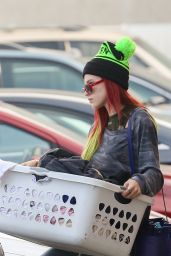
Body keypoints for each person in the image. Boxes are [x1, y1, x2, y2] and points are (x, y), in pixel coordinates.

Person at [41, 37, 164, 256]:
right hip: (87, 222)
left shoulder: (138, 120)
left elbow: (153, 173)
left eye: (90, 85)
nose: (85, 92)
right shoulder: (101, 124)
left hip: (116, 227)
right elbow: (88, 168)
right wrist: (43, 161)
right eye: (84, 86)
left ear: (110, 82)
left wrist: (138, 182)